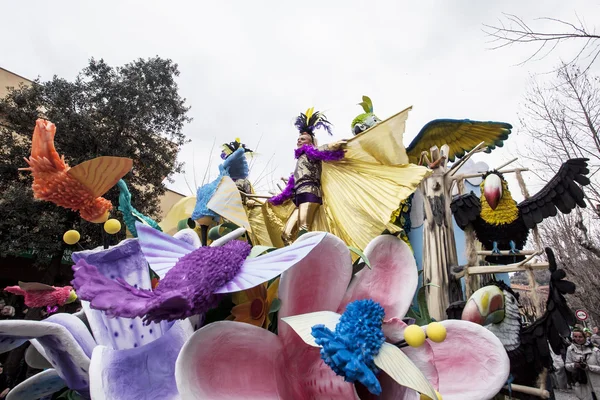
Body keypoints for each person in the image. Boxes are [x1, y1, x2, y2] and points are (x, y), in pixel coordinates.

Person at [269, 108, 346, 244]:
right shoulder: (300, 159)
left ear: (310, 142)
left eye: (302, 139)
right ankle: (291, 259)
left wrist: (332, 145)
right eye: (298, 139)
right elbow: (291, 185)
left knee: (304, 229)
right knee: (286, 234)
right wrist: (277, 199)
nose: (299, 141)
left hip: (310, 192)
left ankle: (308, 257)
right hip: (299, 196)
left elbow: (320, 149)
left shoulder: (310, 152)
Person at [566, 327, 600, 399]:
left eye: (580, 337)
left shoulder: (595, 350)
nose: (578, 339)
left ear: (584, 337)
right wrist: (574, 365)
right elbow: (567, 365)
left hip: (597, 382)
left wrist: (588, 367)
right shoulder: (570, 350)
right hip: (582, 384)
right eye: (575, 337)